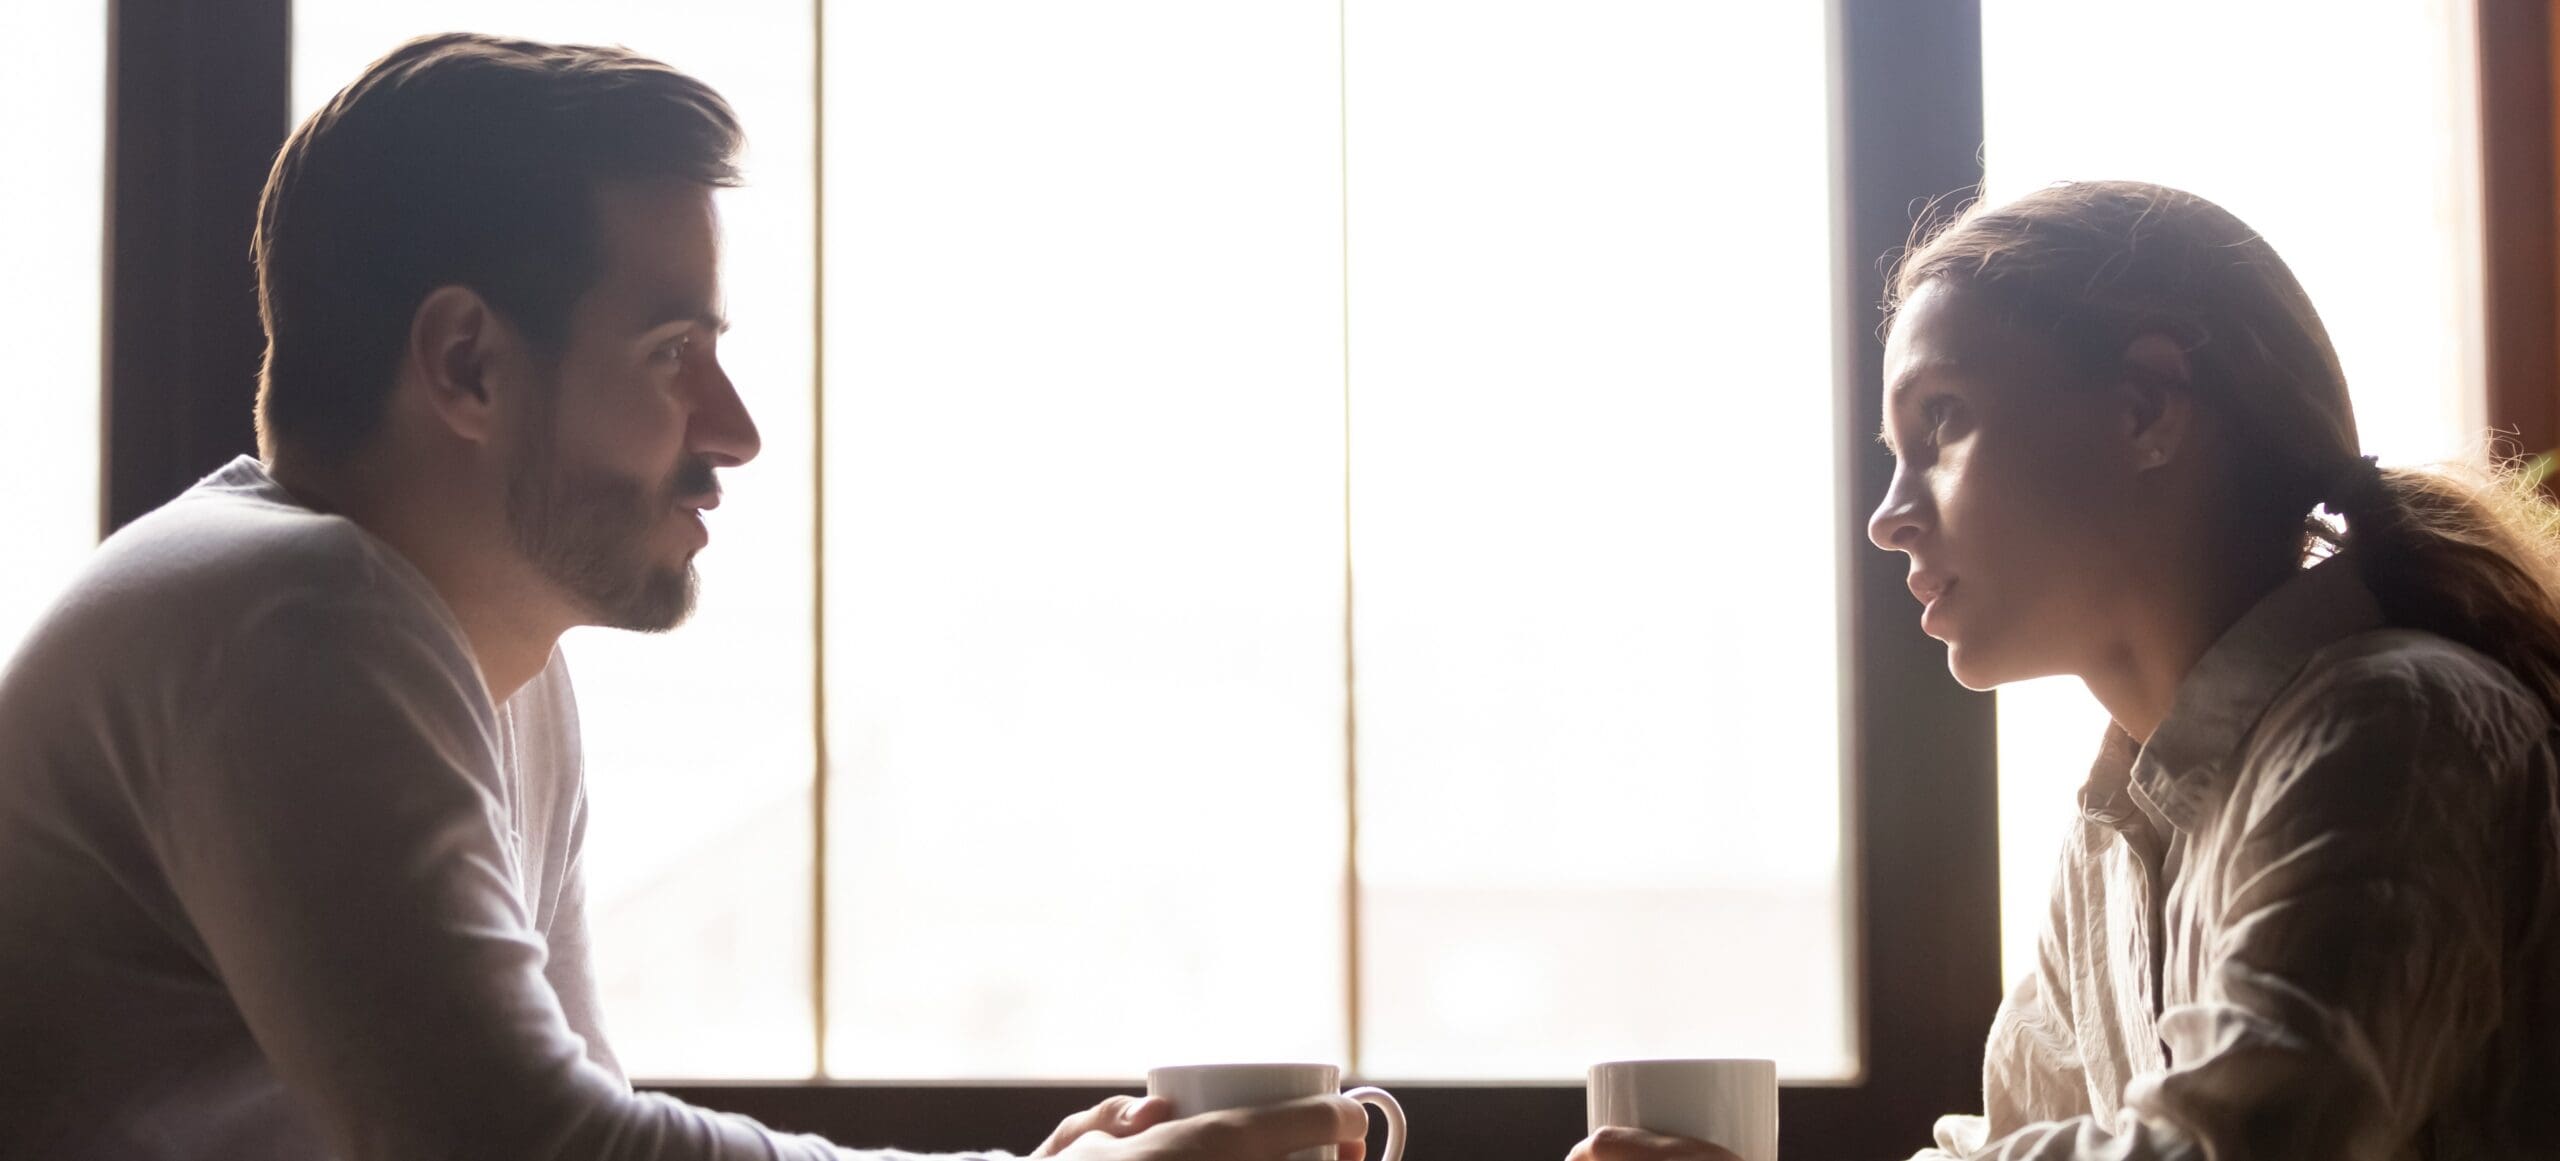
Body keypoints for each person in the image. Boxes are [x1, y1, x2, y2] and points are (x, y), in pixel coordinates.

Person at [0, 32, 1365, 1161]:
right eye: (672, 355)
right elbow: (531, 1148)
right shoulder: (292, 620)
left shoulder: (492, 668)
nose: (735, 430)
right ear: (468, 364)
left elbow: (563, 1118)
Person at [1571, 181, 2560, 1161]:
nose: (1887, 517)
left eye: (1941, 422)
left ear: (2142, 410)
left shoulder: (2392, 728)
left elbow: (2233, 1147)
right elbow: (2009, 1145)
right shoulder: (2113, 836)